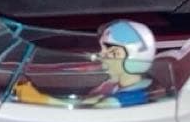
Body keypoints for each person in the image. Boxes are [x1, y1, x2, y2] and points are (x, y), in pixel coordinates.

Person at [12, 20, 158, 107]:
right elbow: (87, 102)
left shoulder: (129, 97)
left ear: (129, 59)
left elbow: (88, 111)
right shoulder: (116, 86)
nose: (101, 55)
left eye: (112, 53)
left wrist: (40, 100)